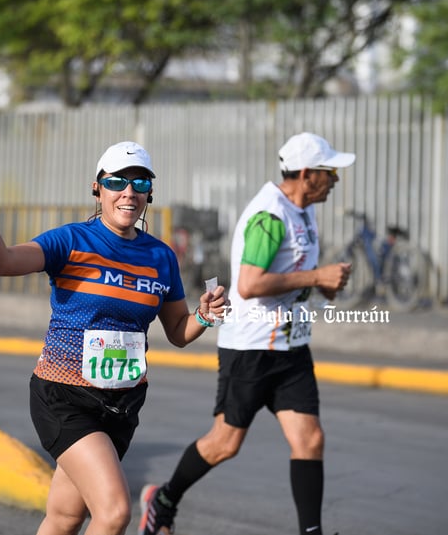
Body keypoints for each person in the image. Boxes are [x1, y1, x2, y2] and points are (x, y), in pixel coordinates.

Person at [0, 140, 227, 535]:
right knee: (114, 512)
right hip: (64, 396)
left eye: (140, 184)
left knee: (65, 517)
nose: (128, 193)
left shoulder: (160, 256)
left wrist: (204, 317)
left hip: (121, 404)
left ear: (149, 194)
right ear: (97, 188)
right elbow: (1, 263)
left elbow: (177, 331)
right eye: (117, 182)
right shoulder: (70, 241)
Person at [138, 132, 354, 535]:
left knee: (310, 439)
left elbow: (286, 275)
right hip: (250, 350)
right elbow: (250, 284)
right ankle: (162, 500)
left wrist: (318, 286)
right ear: (307, 174)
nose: (336, 181)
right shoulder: (269, 216)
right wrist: (317, 275)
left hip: (290, 348)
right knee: (225, 444)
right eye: (330, 172)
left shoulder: (303, 209)